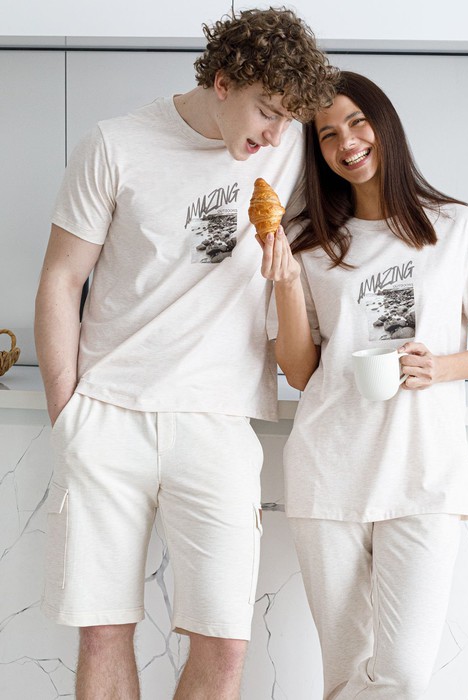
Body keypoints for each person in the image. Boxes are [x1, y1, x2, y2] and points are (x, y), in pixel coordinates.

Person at [34, 8, 337, 699]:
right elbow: (61, 279)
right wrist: (67, 415)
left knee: (224, 643)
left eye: (289, 118)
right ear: (222, 82)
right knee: (104, 630)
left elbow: (367, 150)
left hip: (218, 420)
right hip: (108, 415)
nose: (276, 134)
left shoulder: (285, 146)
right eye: (267, 111)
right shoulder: (114, 145)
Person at [260, 71, 468, 699]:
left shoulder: (457, 227)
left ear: (385, 125)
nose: (346, 142)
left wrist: (440, 367)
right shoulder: (309, 243)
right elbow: (300, 371)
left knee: (403, 675)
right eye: (326, 135)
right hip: (330, 468)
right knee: (345, 673)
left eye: (357, 122)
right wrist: (286, 282)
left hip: (423, 473)